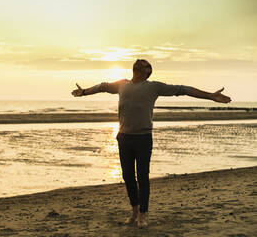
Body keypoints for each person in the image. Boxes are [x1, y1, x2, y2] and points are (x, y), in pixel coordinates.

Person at [71, 59, 231, 228]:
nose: (140, 62)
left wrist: (210, 96)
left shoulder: (153, 87)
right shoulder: (122, 84)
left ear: (147, 71)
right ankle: (134, 210)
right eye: (139, 62)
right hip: (124, 137)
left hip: (143, 138)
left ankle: (143, 214)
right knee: (127, 177)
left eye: (144, 64)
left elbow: (183, 90)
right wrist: (84, 92)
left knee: (142, 177)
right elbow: (102, 86)